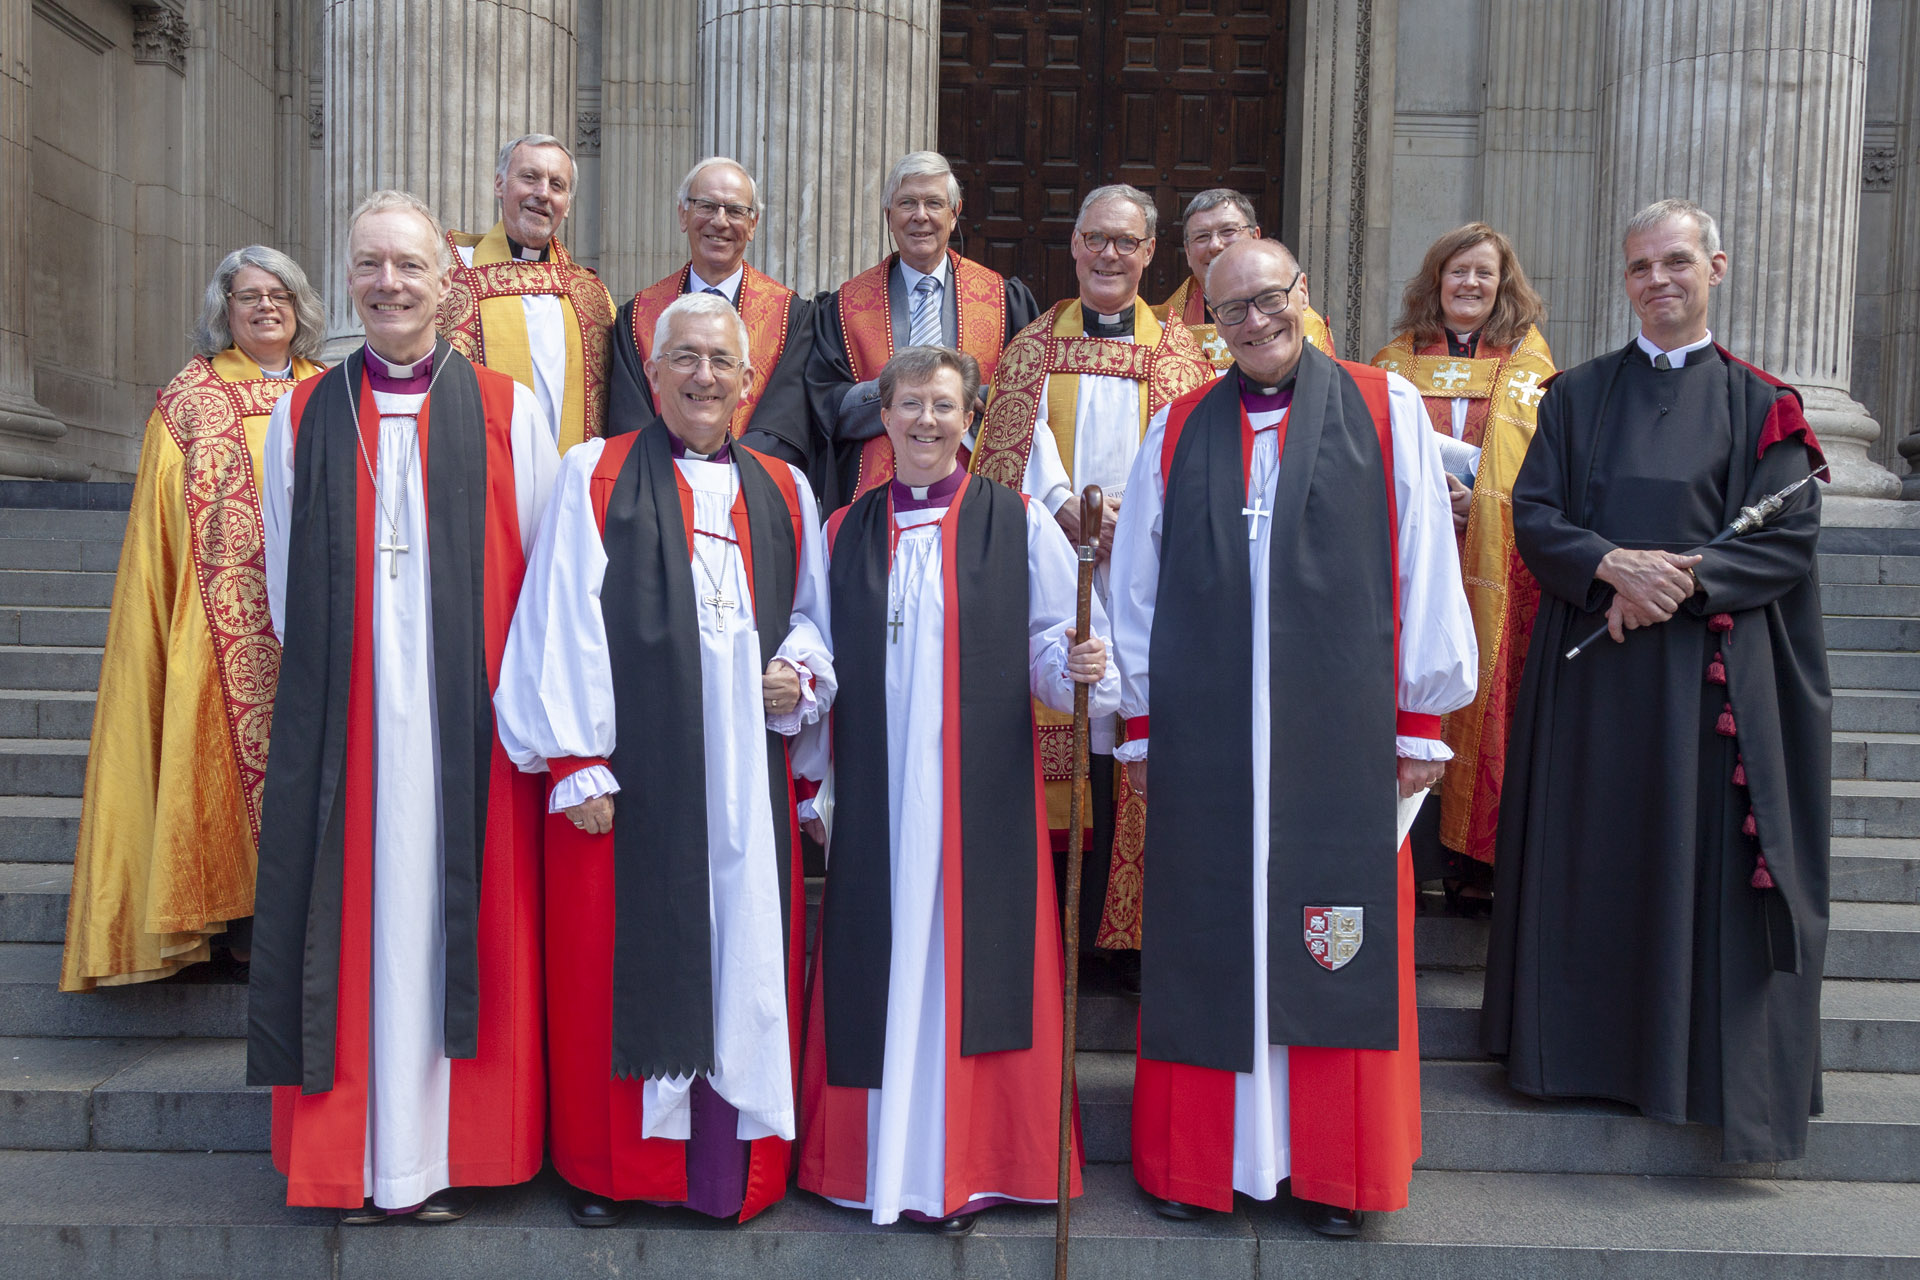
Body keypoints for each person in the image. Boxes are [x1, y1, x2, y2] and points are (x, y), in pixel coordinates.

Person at [1109, 237, 1477, 1236]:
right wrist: (1141, 725)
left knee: (1334, 941)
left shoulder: (1382, 404)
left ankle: (1332, 1168)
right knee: (1214, 941)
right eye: (1232, 311)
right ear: (1210, 323)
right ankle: (1205, 1162)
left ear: (1302, 293)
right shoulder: (1179, 428)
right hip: (1211, 741)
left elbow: (1424, 564)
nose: (1256, 322)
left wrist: (1420, 721)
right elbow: (1134, 589)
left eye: (1269, 300)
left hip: (1340, 736)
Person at [1481, 198, 1830, 1165]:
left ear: (1716, 268)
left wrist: (1673, 583)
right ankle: (1571, 1058)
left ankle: (1683, 1071)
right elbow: (1537, 514)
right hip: (1592, 693)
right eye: (1640, 267)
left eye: (1677, 262)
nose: (1659, 281)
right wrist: (1609, 567)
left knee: (1691, 872)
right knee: (1591, 861)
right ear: (1623, 279)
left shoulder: (1768, 405)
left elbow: (1786, 539)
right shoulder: (1577, 395)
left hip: (1706, 692)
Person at [246, 190, 560, 1224]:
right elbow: (289, 588)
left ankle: (440, 1156)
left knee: (448, 930)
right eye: (371, 263)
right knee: (353, 933)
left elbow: (549, 585)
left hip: (468, 733)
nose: (389, 283)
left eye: (409, 266)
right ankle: (351, 1157)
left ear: (448, 282)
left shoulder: (512, 410)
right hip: (349, 728)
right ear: (348, 278)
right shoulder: (302, 411)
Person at [494, 291, 835, 1227]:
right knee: (617, 966)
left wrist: (799, 676)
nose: (703, 377)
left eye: (721, 361)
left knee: (741, 956)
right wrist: (573, 760)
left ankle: (735, 1174)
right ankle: (617, 1174)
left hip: (744, 781)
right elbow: (557, 614)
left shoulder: (784, 487)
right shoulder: (593, 473)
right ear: (652, 374)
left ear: (748, 378)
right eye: (683, 358)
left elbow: (813, 617)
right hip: (630, 779)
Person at [798, 346, 1117, 1233]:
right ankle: (875, 1164)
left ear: (969, 418)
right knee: (881, 961)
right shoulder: (844, 529)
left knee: (977, 967)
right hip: (877, 796)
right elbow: (816, 645)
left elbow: (1054, 642)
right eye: (909, 406)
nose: (926, 422)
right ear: (885, 419)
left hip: (980, 795)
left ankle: (975, 1162)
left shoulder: (1013, 521)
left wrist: (1079, 661)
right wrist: (813, 781)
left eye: (943, 406)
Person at [60, 247, 327, 992]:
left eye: (280, 295)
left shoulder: (332, 392)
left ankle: (313, 923)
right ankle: (233, 925)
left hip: (319, 620)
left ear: (302, 308)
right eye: (249, 297)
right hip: (218, 625)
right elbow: (162, 530)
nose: (267, 308)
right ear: (225, 310)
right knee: (217, 773)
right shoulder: (192, 398)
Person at [971, 183, 1212, 987]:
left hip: (1149, 579)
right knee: (1066, 734)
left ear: (1151, 253)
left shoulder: (1182, 359)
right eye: (1095, 240)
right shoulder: (1031, 353)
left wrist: (1130, 521)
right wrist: (1062, 510)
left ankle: (1127, 940)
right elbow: (1009, 462)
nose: (1109, 255)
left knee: (1131, 751)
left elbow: (1196, 468)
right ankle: (1059, 932)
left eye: (1126, 242)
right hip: (1055, 571)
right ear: (1073, 246)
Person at [1372, 223, 1555, 908]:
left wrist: (1477, 492)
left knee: (1483, 693)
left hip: (1495, 561)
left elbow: (1544, 463)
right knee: (1409, 690)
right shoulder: (1392, 365)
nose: (1470, 284)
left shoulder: (1531, 369)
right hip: (1407, 555)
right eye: (1457, 272)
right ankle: (1406, 856)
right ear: (1435, 281)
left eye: (1484, 273)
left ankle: (1474, 859)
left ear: (1504, 285)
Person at [806, 150, 1040, 506]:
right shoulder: (842, 308)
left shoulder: (1004, 300)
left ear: (955, 213)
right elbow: (829, 409)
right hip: (875, 505)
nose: (920, 216)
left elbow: (1029, 399)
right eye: (907, 204)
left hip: (977, 497)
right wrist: (903, 396)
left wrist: (975, 399)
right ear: (889, 216)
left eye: (933, 203)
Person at [607, 157, 818, 486]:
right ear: (683, 214)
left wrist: (725, 473)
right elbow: (629, 417)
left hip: (754, 491)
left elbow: (785, 421)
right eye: (706, 205)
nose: (720, 222)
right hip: (657, 487)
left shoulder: (793, 315)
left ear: (753, 224)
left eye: (735, 211)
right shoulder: (637, 315)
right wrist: (680, 474)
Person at [439, 133, 616, 453]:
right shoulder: (453, 284)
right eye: (530, 178)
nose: (543, 193)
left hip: (571, 488)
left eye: (557, 185)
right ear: (499, 184)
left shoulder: (592, 296)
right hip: (485, 482)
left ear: (568, 206)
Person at [1155, 188, 1336, 370]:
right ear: (1187, 252)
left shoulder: (1305, 325)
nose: (1216, 245)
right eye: (1202, 236)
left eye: (1228, 231)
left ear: (1255, 237)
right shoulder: (1162, 327)